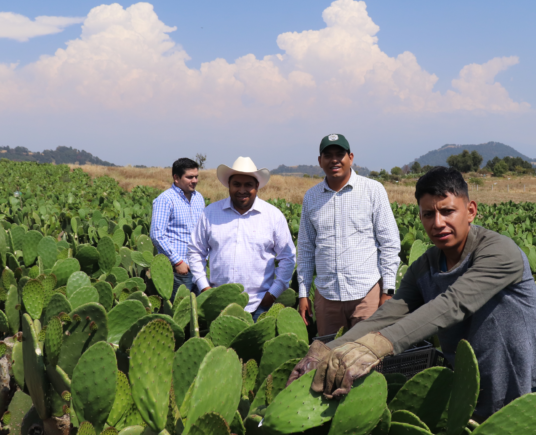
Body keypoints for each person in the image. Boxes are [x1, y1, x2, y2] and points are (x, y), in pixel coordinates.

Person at [288, 166, 536, 419]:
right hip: (470, 390)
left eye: (448, 211)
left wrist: (375, 347)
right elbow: (386, 316)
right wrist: (326, 350)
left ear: (471, 210)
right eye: (428, 214)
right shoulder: (424, 267)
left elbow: (452, 304)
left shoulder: (498, 252)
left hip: (526, 390)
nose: (438, 223)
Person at [296, 134, 401, 336]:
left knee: (367, 358)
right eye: (328, 155)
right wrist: (303, 294)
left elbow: (389, 243)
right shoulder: (311, 197)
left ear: (350, 157)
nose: (334, 160)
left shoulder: (373, 190)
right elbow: (306, 249)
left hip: (366, 294)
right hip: (327, 296)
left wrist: (387, 291)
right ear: (320, 161)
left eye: (340, 154)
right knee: (330, 359)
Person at [187, 156, 296, 321]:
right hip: (218, 304)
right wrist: (204, 287)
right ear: (228, 185)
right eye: (237, 184)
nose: (242, 190)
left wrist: (272, 294)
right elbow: (195, 251)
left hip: (260, 305)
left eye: (248, 185)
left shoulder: (273, 216)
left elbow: (288, 258)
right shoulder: (210, 213)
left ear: (257, 186)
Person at [151, 158, 206, 300]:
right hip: (179, 269)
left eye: (196, 176)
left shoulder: (198, 198)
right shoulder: (166, 199)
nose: (194, 180)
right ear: (176, 178)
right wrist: (177, 262)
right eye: (189, 177)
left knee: (198, 311)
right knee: (179, 311)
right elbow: (157, 234)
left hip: (199, 266)